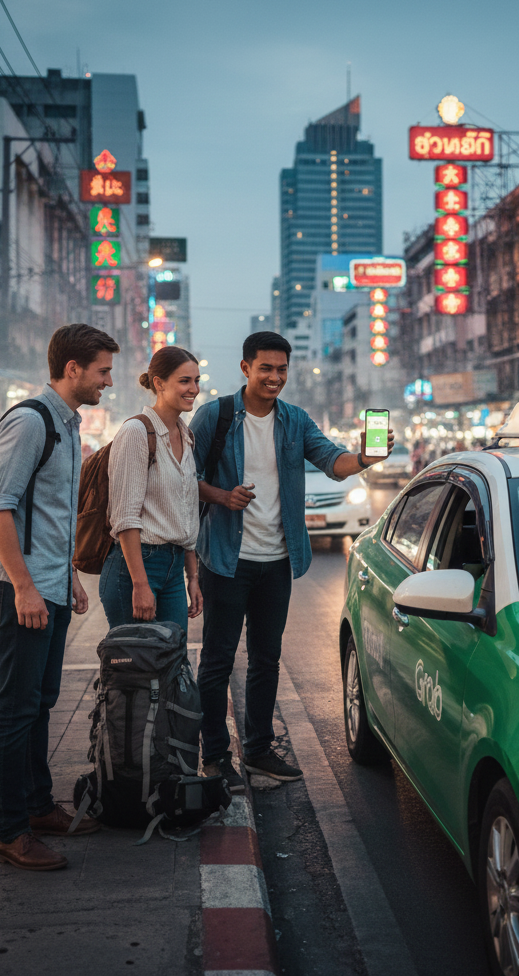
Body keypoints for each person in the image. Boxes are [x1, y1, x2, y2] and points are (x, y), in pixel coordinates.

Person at [192, 331, 393, 790]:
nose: (275, 377)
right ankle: (216, 755)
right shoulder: (216, 416)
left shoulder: (295, 420)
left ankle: (260, 751)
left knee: (267, 658)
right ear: (246, 368)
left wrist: (365, 456)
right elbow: (185, 475)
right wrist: (223, 495)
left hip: (277, 559)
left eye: (282, 370)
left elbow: (331, 461)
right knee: (218, 661)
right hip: (226, 557)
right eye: (266, 368)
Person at [0, 323, 119, 872]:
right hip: (22, 589)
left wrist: (67, 578)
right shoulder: (30, 422)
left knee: (40, 703)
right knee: (15, 710)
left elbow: (52, 515)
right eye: (103, 371)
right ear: (72, 370)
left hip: (49, 585)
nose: (109, 380)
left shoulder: (68, 424)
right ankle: (10, 830)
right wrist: (24, 586)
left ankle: (37, 808)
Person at [100, 346, 203, 629]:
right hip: (135, 567)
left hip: (174, 566)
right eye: (184, 381)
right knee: (137, 666)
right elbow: (125, 517)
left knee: (173, 661)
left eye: (196, 380)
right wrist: (140, 584)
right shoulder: (136, 432)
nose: (193, 388)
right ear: (159, 383)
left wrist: (192, 577)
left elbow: (187, 512)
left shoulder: (186, 435)